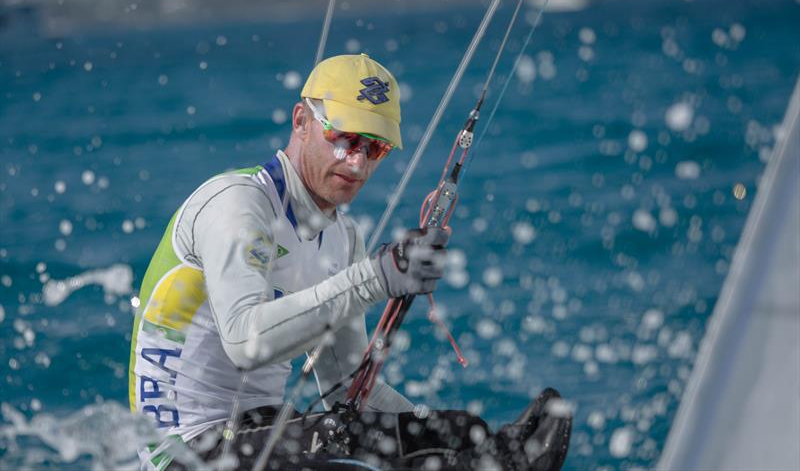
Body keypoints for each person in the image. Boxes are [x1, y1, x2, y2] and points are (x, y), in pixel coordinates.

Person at [128, 53, 571, 470]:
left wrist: (463, 438)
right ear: (302, 121)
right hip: (186, 452)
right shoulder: (239, 205)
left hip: (261, 431)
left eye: (375, 148)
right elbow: (245, 343)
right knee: (345, 448)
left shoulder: (342, 237)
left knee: (461, 435)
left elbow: (349, 386)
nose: (357, 162)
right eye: (344, 138)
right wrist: (376, 278)